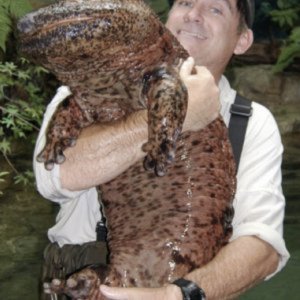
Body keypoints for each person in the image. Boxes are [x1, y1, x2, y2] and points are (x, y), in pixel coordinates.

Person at [34, 0, 290, 299]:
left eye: (215, 9)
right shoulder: (89, 87)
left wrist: (180, 294)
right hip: (80, 283)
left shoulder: (253, 122)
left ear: (242, 40)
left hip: (182, 281)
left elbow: (262, 247)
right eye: (185, 2)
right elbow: (54, 178)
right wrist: (177, 116)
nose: (194, 15)